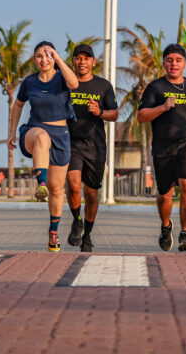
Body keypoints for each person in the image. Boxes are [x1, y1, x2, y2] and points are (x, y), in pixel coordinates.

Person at [138, 44, 186, 252]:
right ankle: (165, 226)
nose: (174, 64)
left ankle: (185, 233)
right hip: (163, 146)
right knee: (165, 194)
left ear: (185, 64)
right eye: (170, 60)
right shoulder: (156, 87)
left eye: (178, 60)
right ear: (164, 63)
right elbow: (141, 116)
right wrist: (163, 107)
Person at [8, 41, 79, 252]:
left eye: (48, 55)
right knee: (41, 136)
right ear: (34, 59)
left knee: (57, 190)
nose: (43, 59)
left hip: (61, 135)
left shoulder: (62, 78)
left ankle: (53, 232)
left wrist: (58, 59)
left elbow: (74, 84)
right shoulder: (30, 82)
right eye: (39, 56)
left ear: (54, 57)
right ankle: (40, 185)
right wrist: (11, 133)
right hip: (34, 131)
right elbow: (18, 104)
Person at [65, 44, 118, 252]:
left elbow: (114, 114)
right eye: (78, 58)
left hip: (96, 146)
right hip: (71, 143)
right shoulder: (67, 84)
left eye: (86, 58)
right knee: (73, 184)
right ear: (73, 62)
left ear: (93, 62)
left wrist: (100, 112)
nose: (82, 62)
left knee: (92, 194)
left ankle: (87, 235)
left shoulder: (103, 86)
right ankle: (77, 220)